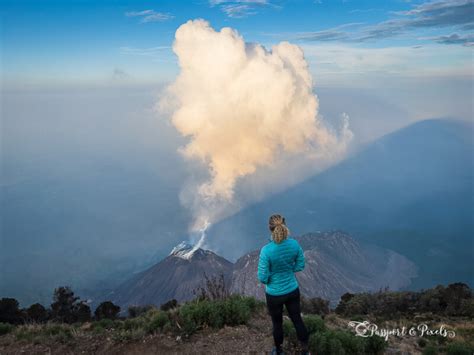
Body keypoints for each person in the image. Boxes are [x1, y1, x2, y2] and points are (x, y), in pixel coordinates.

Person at [257, 214, 310, 355]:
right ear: (285, 226)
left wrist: (272, 279)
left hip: (274, 294)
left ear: (270, 228)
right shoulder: (294, 244)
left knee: (277, 323)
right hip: (292, 290)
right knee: (297, 319)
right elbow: (300, 265)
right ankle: (305, 350)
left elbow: (262, 277)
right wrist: (288, 271)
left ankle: (279, 351)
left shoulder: (266, 250)